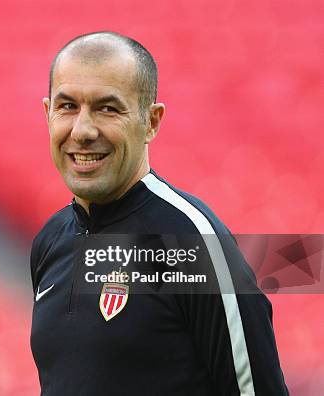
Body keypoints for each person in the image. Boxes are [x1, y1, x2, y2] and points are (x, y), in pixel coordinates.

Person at [30, 31, 288, 395]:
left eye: (108, 108)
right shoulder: (49, 241)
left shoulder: (192, 243)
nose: (83, 130)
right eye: (67, 106)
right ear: (47, 113)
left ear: (151, 122)